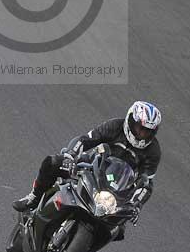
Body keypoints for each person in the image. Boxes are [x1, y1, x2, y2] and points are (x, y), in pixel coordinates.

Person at [12, 101, 162, 238]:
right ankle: (34, 197)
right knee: (53, 162)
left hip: (118, 189)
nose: (142, 134)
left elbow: (146, 182)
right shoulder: (115, 126)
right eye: (140, 128)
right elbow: (85, 140)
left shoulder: (153, 151)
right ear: (130, 121)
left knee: (118, 231)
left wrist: (136, 204)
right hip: (93, 167)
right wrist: (70, 156)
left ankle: (83, 243)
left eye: (147, 131)